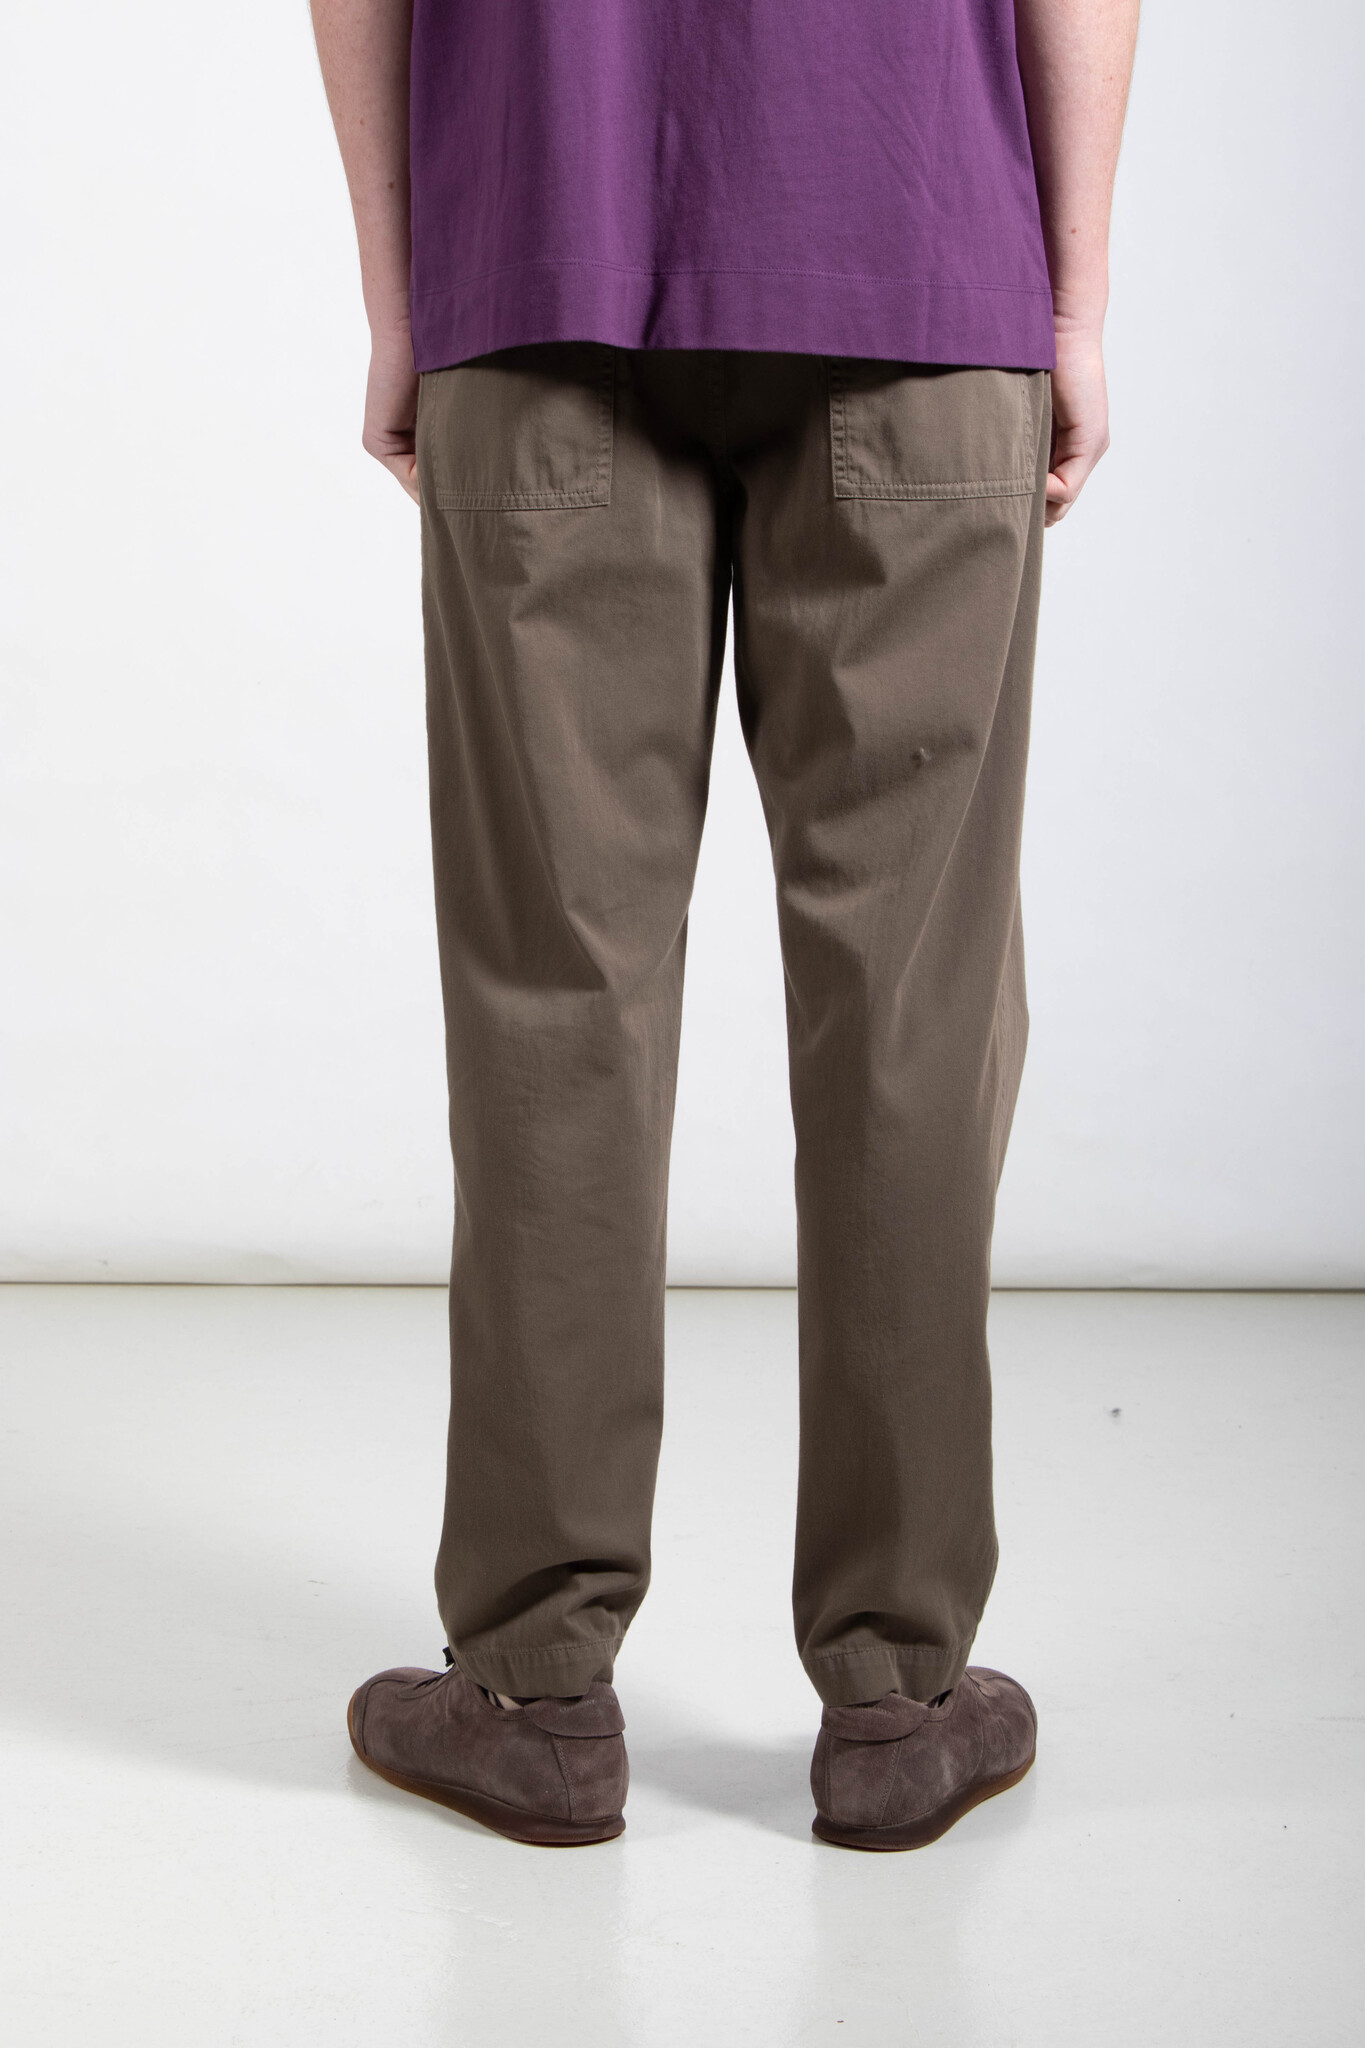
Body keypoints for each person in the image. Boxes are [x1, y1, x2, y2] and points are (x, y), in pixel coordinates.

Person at [311, 0, 1139, 1850]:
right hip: (920, 258)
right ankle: (900, 1695)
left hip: (536, 265)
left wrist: (403, 292)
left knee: (556, 994)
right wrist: (1075, 303)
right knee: (911, 1005)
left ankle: (532, 1691)